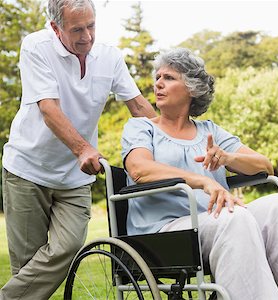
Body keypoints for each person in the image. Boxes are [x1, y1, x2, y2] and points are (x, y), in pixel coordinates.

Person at [120, 48, 278, 299]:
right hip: (165, 232)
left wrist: (228, 158)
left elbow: (264, 166)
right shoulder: (141, 127)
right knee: (234, 217)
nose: (158, 83)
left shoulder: (209, 131)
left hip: (215, 221)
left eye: (169, 78)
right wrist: (202, 181)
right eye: (158, 77)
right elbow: (139, 169)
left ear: (192, 89)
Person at [0, 0, 156, 298]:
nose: (87, 36)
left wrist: (176, 139)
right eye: (77, 29)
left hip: (75, 178)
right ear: (56, 28)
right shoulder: (36, 47)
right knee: (28, 268)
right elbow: (49, 108)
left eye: (91, 26)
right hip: (28, 170)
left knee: (69, 246)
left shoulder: (109, 56)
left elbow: (138, 105)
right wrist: (83, 149)